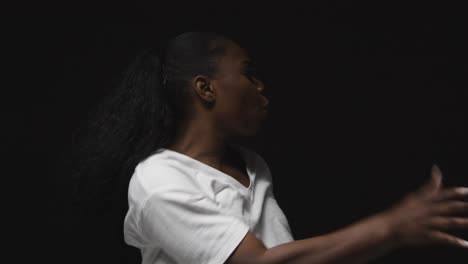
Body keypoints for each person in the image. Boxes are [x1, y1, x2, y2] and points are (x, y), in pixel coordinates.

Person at [73, 32, 468, 264]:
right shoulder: (158, 180)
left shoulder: (251, 166)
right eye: (248, 73)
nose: (260, 87)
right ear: (205, 89)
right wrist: (392, 228)